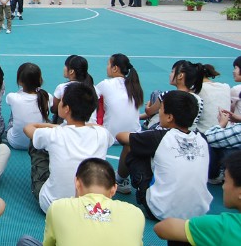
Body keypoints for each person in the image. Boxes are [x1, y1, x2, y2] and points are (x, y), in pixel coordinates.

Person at [117, 90, 212, 220]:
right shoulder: (202, 139)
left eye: (160, 109)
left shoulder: (159, 137)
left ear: (169, 117)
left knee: (133, 146)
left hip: (160, 211)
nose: (159, 113)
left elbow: (121, 137)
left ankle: (120, 180)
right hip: (198, 213)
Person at [24, 82, 114, 214]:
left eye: (61, 101)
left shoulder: (55, 134)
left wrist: (52, 126)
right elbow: (100, 128)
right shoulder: (102, 134)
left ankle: (42, 179)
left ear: (67, 109)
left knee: (36, 142)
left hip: (53, 205)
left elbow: (28, 129)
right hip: (90, 207)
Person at [16, 158, 145, 246]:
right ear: (114, 189)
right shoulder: (136, 213)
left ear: (77, 183)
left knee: (26, 242)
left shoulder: (59, 207)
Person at [154, 150, 241, 246]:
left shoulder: (223, 226)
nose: (223, 187)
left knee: (181, 238)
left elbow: (162, 228)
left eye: (225, 181)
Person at [95, 53, 144, 139]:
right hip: (134, 136)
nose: (107, 67)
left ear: (115, 68)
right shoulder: (134, 86)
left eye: (108, 64)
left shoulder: (105, 84)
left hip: (110, 136)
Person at [6, 63, 50, 150]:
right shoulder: (47, 96)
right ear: (40, 80)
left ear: (19, 81)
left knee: (14, 111)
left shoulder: (13, 97)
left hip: (16, 142)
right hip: (38, 143)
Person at [51, 55, 95, 124]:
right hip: (91, 123)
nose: (64, 68)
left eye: (65, 66)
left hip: (70, 124)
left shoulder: (62, 87)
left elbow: (54, 109)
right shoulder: (92, 88)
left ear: (71, 71)